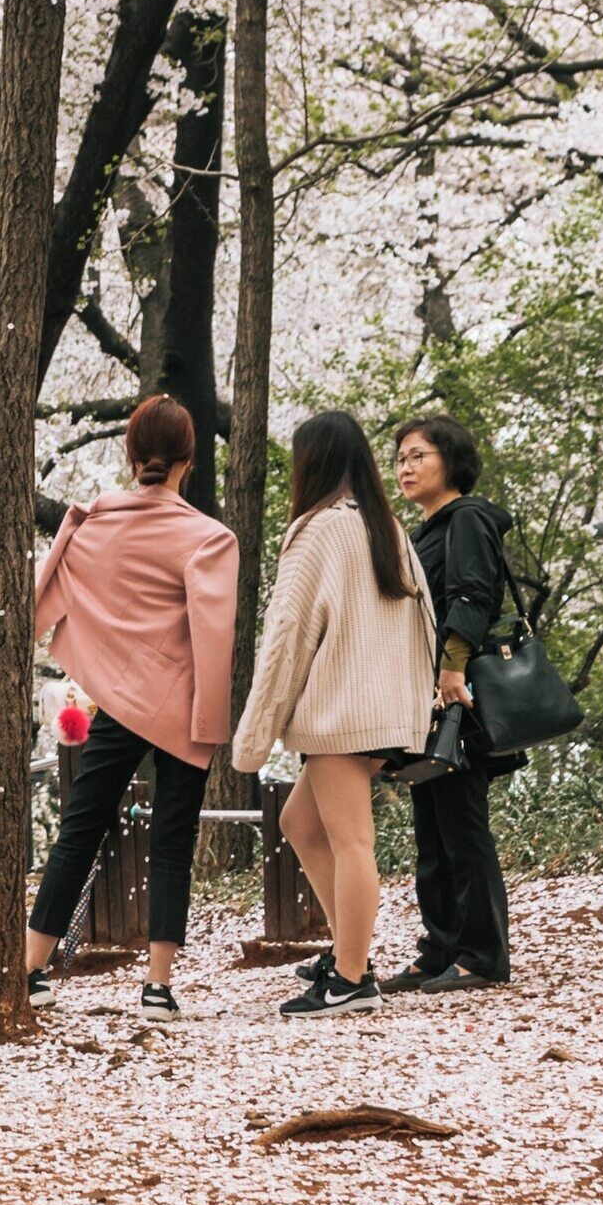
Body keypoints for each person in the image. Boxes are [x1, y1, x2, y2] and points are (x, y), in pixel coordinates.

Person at [19, 394, 239, 1018]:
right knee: (172, 840)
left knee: (79, 831)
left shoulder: (93, 520)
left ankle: (32, 969)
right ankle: (158, 987)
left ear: (131, 452)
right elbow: (213, 637)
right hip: (181, 706)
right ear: (188, 462)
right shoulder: (209, 538)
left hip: (118, 698)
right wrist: (209, 723)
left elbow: (54, 593)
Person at [233, 409, 436, 1018]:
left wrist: (254, 733)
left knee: (351, 841)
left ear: (310, 463)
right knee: (302, 824)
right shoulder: (385, 527)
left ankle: (351, 978)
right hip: (382, 708)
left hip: (337, 711)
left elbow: (287, 637)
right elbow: (424, 624)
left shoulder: (317, 530)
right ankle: (351, 956)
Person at [393, 414, 517, 991]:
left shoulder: (467, 518)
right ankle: (440, 948)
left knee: (462, 826)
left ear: (451, 461)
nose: (406, 466)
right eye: (400, 458)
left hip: (456, 692)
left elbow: (473, 593)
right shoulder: (424, 531)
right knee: (432, 830)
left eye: (419, 455)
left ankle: (483, 954)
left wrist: (453, 666)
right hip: (425, 696)